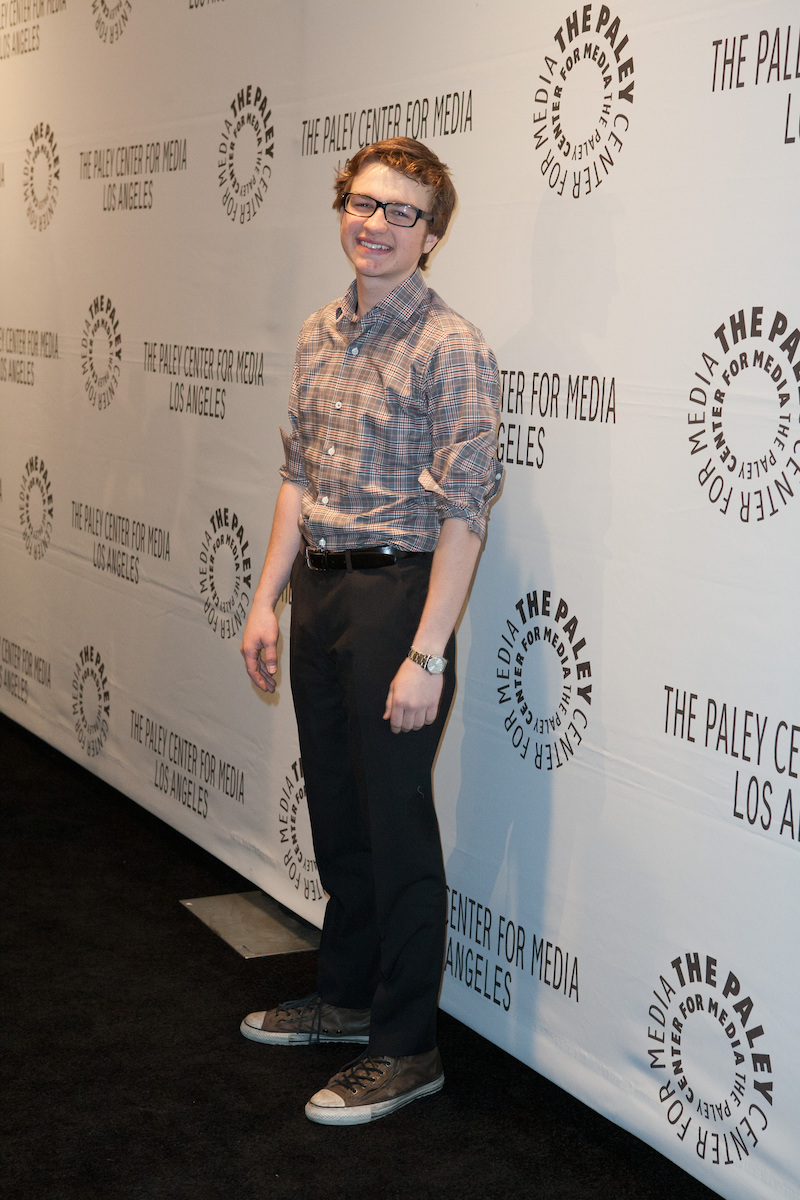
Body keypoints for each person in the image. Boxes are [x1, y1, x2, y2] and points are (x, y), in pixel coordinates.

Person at [239, 137, 502, 1125]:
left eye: (400, 212)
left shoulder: (452, 347)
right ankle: (345, 999)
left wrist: (426, 654)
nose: (375, 223)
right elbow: (297, 475)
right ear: (340, 207)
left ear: (430, 235)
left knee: (396, 830)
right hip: (320, 588)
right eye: (362, 203)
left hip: (401, 597)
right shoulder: (317, 331)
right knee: (340, 815)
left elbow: (466, 516)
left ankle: (404, 1046)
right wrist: (265, 599)